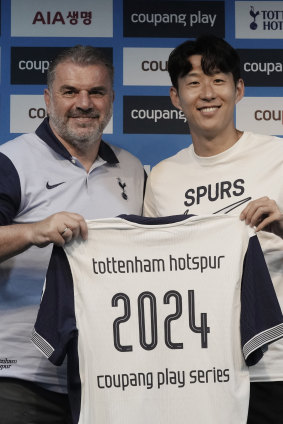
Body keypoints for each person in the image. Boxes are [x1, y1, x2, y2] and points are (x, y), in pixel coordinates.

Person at [0, 45, 145, 423]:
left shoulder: (131, 169)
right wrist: (33, 231)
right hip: (20, 376)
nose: (84, 103)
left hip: (110, 377)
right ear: (48, 99)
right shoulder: (12, 160)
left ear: (111, 99)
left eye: (96, 92)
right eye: (70, 92)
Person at [143, 35, 283, 423]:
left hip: (275, 367)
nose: (207, 92)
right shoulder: (162, 177)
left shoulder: (278, 156)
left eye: (218, 80)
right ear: (176, 97)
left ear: (238, 90)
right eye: (193, 82)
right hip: (199, 372)